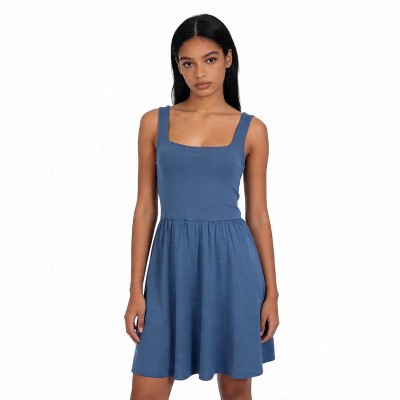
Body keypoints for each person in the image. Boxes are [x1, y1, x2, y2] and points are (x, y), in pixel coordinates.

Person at [124, 13, 280, 400]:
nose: (200, 73)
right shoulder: (153, 123)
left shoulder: (253, 130)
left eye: (210, 59)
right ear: (178, 66)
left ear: (228, 58)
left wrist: (272, 295)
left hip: (233, 268)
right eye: (188, 63)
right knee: (145, 391)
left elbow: (258, 215)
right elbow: (145, 209)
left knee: (236, 394)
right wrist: (135, 290)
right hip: (169, 268)